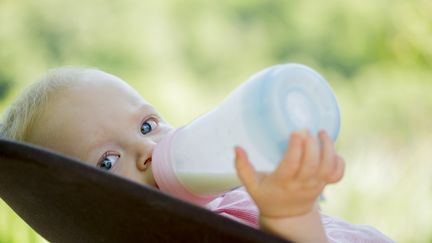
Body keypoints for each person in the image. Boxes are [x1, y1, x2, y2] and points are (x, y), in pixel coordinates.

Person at [0, 67, 394, 242]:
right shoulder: (195, 236)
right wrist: (290, 217)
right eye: (107, 160)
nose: (147, 150)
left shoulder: (230, 196)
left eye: (147, 125)